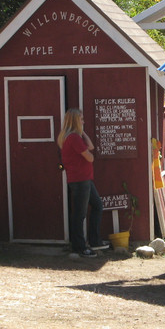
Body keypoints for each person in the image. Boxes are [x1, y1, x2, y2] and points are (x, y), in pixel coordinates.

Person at [57, 108, 108, 260]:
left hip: (84, 178)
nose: (83, 121)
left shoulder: (75, 136)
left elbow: (90, 147)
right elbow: (90, 157)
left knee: (97, 205)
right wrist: (79, 134)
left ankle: (94, 241)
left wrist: (82, 132)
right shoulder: (73, 138)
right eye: (81, 119)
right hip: (80, 180)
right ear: (75, 121)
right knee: (80, 214)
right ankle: (79, 247)